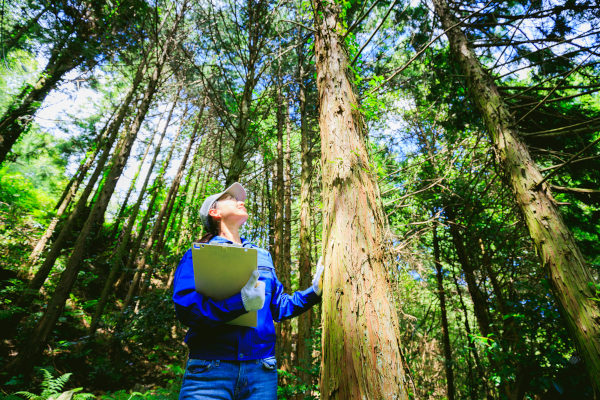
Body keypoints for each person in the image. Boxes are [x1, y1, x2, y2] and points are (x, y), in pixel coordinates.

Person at [173, 182, 324, 400]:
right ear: (214, 212)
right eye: (232, 199)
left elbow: (279, 307)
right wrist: (240, 302)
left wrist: (314, 292)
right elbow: (187, 308)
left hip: (261, 371)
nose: (240, 201)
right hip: (209, 370)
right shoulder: (197, 254)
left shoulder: (262, 255)